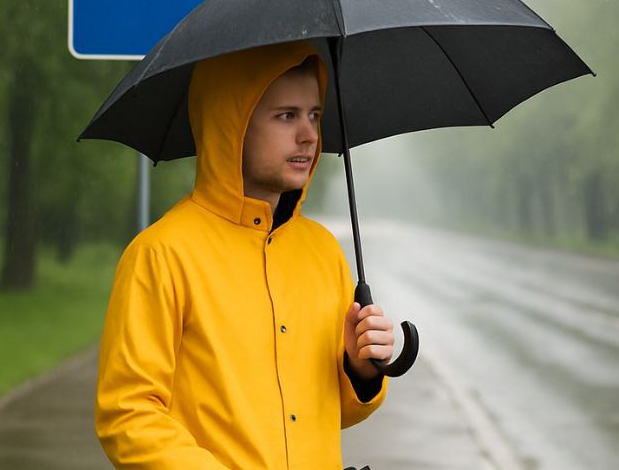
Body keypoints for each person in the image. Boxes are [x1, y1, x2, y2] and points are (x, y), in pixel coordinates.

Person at [95, 41, 395, 470]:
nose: (309, 134)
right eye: (286, 115)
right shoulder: (161, 255)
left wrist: (360, 370)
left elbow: (337, 413)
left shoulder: (323, 252)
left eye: (313, 114)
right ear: (231, 123)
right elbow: (126, 413)